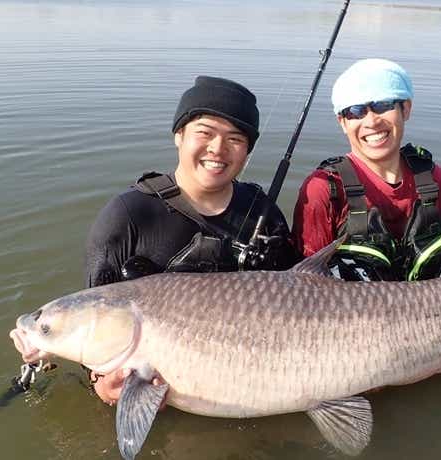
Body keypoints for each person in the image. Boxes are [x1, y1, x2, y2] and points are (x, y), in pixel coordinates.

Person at [85, 75, 297, 405]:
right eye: (204, 133)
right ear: (179, 135)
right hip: (159, 387)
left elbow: (304, 302)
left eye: (235, 139)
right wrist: (100, 381)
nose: (218, 149)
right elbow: (96, 317)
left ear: (247, 151)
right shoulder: (128, 214)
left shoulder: (263, 214)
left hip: (259, 376)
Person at [292, 58, 441, 321]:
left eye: (383, 105)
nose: (372, 121)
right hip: (351, 332)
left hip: (436, 323)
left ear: (406, 109)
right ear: (343, 122)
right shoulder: (323, 189)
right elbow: (301, 289)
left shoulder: (433, 178)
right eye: (356, 111)